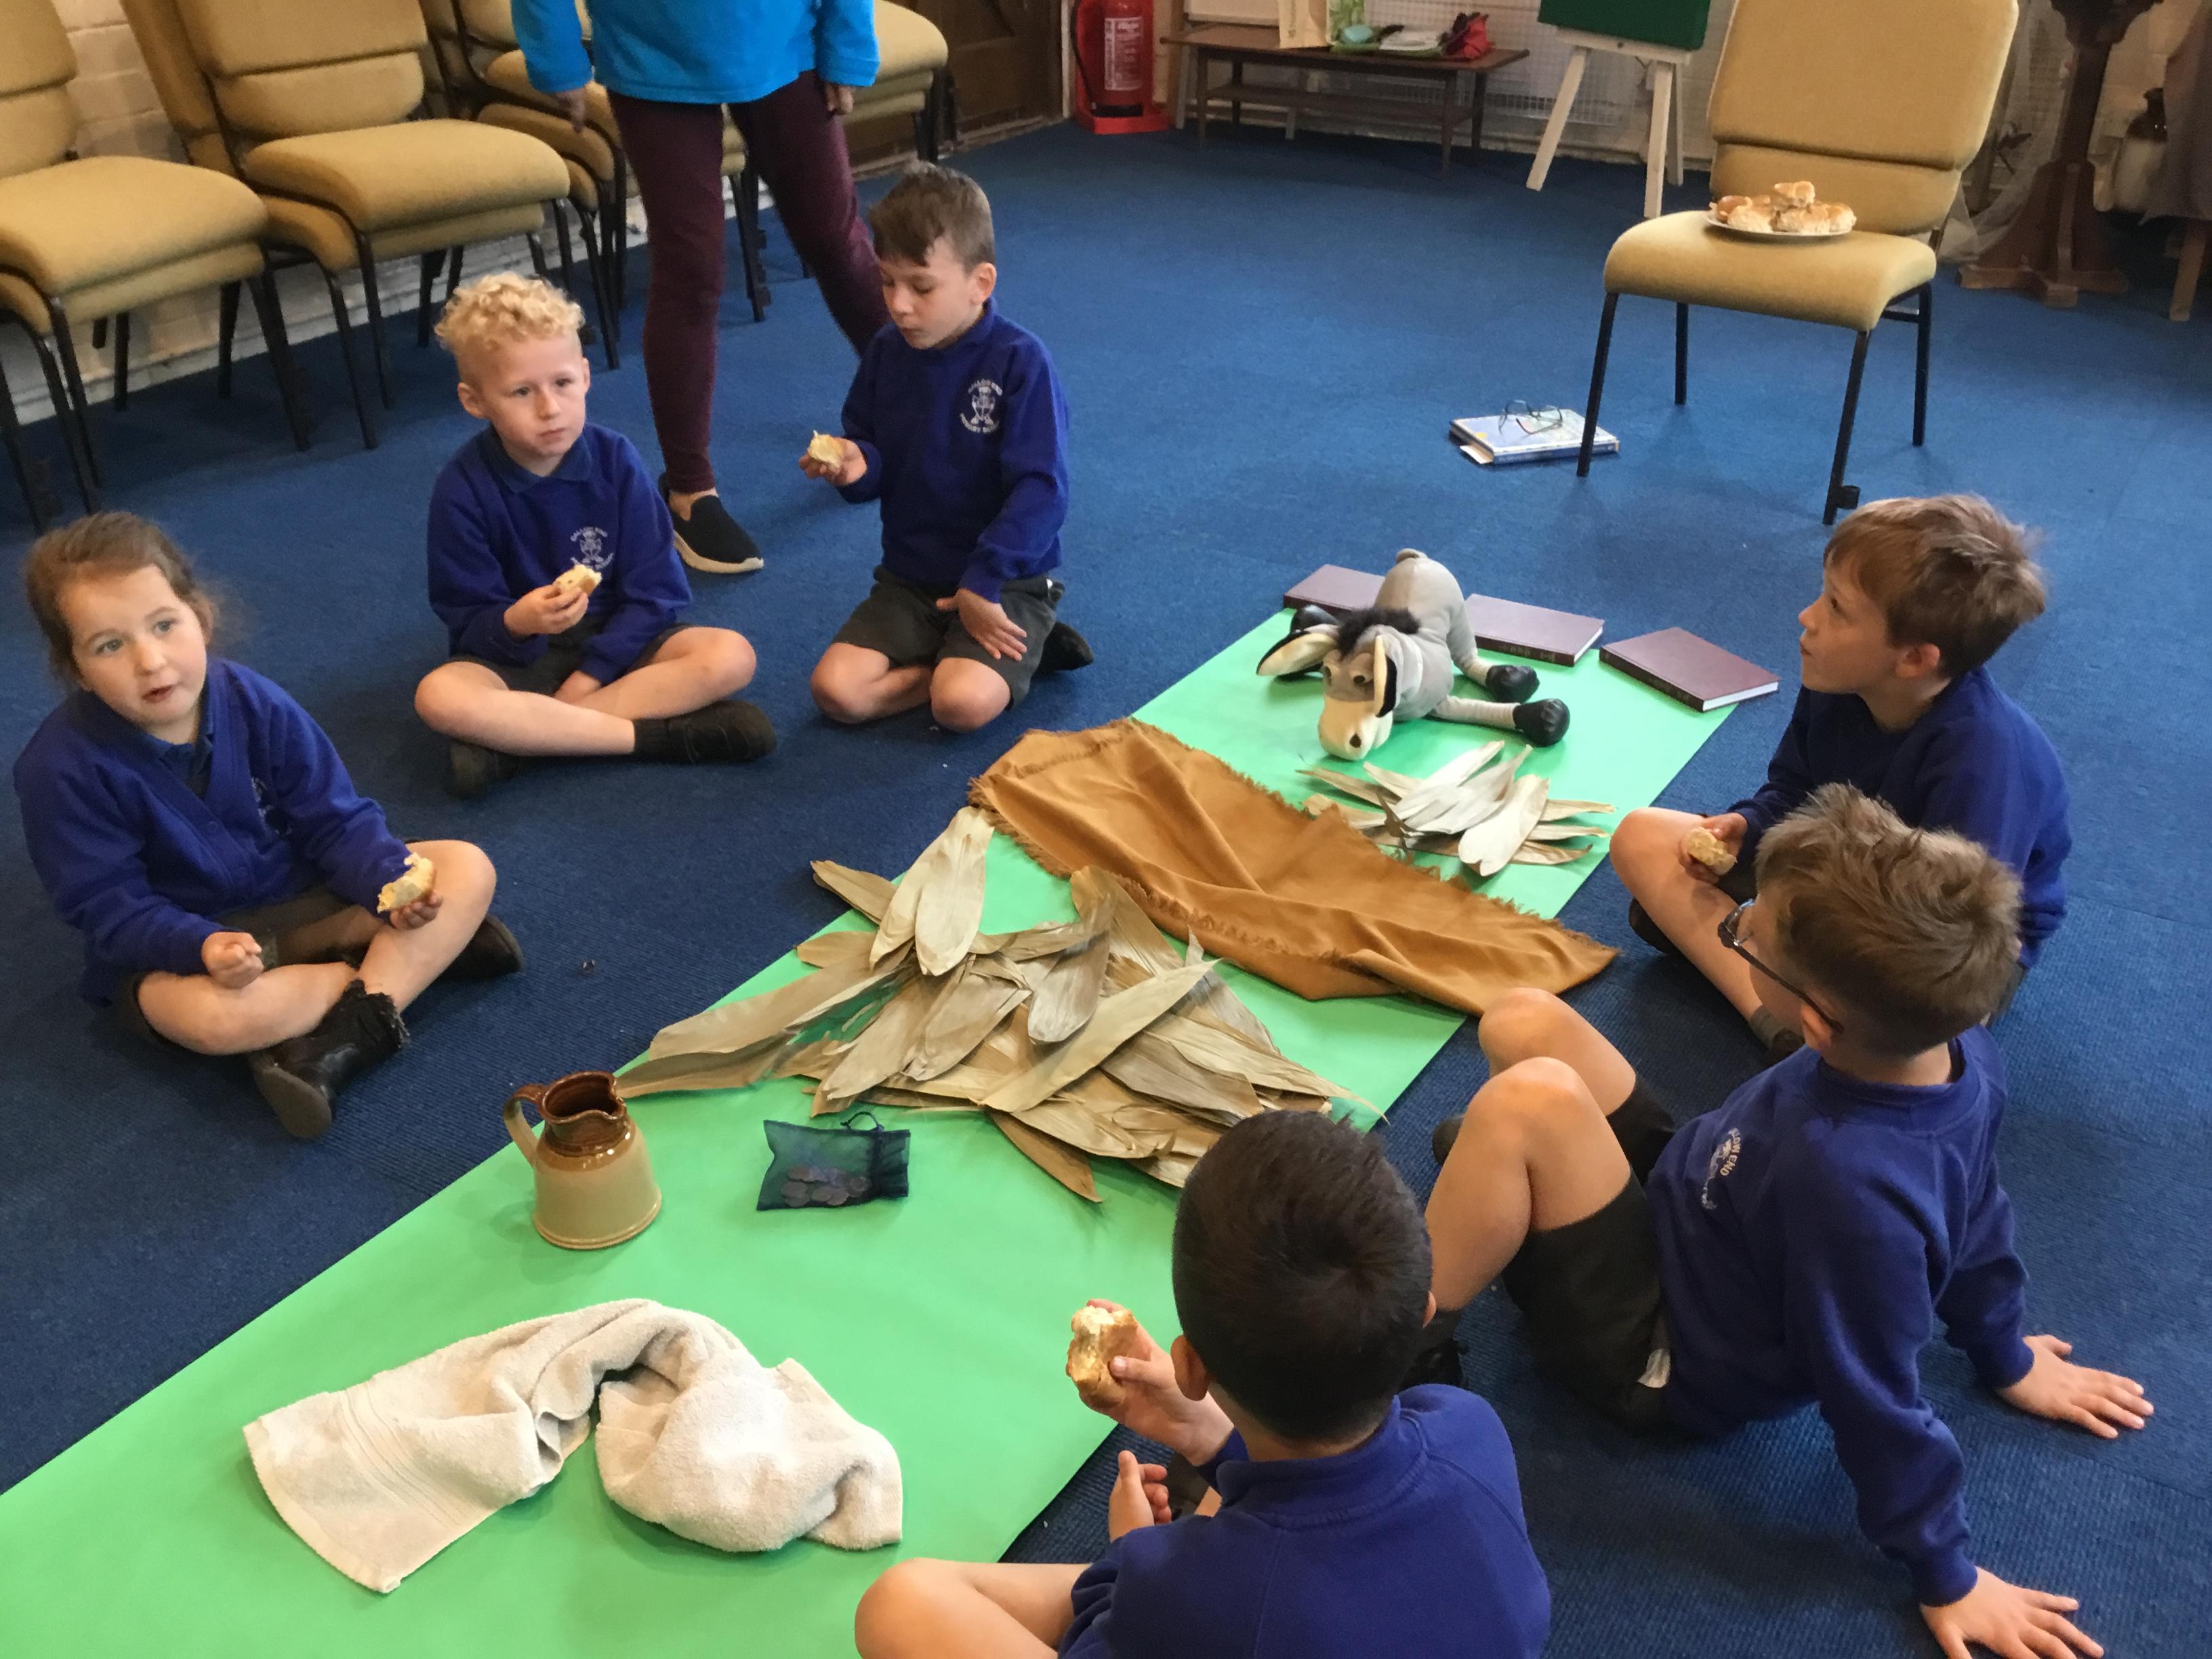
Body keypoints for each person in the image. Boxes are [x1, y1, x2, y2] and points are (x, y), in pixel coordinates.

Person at [1418, 785, 2151, 1659]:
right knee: (1523, 1020)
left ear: (1816, 1021)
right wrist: (2007, 1357)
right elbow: (1977, 1211)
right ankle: (1509, 1182)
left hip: (1661, 1346)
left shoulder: (1847, 1192)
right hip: (1701, 1201)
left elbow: (1875, 1392)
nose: (1737, 927)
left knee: (1522, 1106)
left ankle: (1391, 1346)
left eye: (1744, 935)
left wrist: (1946, 1572)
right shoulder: (1960, 1055)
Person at [853, 1110, 1550, 1658]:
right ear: (1423, 1314)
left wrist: (1130, 1558)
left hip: (1226, 1609)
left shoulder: (1191, 1589)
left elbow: (1118, 1630)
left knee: (900, 1603)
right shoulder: (1468, 1426)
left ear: (1190, 1366)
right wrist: (1204, 1434)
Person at [14, 514, 520, 1139]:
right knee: (212, 1021)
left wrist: (388, 880)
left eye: (165, 625)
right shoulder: (59, 770)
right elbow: (109, 909)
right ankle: (399, 972)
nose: (151, 661)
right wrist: (201, 946)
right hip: (188, 951)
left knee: (467, 866)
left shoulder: (255, 701)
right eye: (109, 646)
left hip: (307, 900)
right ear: (74, 668)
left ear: (201, 617)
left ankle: (336, 1039)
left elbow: (335, 820)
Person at [1610, 495, 2069, 1059]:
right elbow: (1792, 793)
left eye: (1836, 607)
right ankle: (1784, 1024)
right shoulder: (1837, 680)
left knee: (1937, 1033)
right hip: (1838, 873)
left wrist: (1775, 917)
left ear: (1914, 660)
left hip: (1935, 941)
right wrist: (1745, 828)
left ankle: (1774, 979)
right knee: (1641, 835)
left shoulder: (1985, 759)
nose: (1807, 617)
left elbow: (1959, 932)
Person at [512, 0, 890, 573]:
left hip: (783, 38)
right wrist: (558, 58)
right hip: (652, 51)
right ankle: (689, 491)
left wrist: (848, 40)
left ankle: (928, 408)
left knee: (838, 242)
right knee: (691, 273)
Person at [413, 273, 773, 800]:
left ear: (585, 376)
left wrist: (590, 677)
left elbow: (657, 593)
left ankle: (524, 744)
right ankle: (649, 738)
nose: (550, 409)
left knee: (731, 655)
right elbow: (465, 615)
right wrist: (519, 620)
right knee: (439, 696)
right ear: (475, 400)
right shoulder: (461, 488)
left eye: (562, 383)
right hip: (520, 657)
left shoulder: (615, 460)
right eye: (521, 392)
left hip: (620, 644)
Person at [806, 164, 1091, 734]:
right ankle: (969, 661)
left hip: (1002, 582)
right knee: (836, 694)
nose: (899, 305)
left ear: (980, 283)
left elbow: (1042, 491)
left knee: (959, 707)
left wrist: (984, 578)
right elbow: (871, 451)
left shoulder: (1020, 361)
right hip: (912, 579)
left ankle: (1018, 643)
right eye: (887, 282)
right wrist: (856, 467)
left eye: (921, 287)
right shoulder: (886, 352)